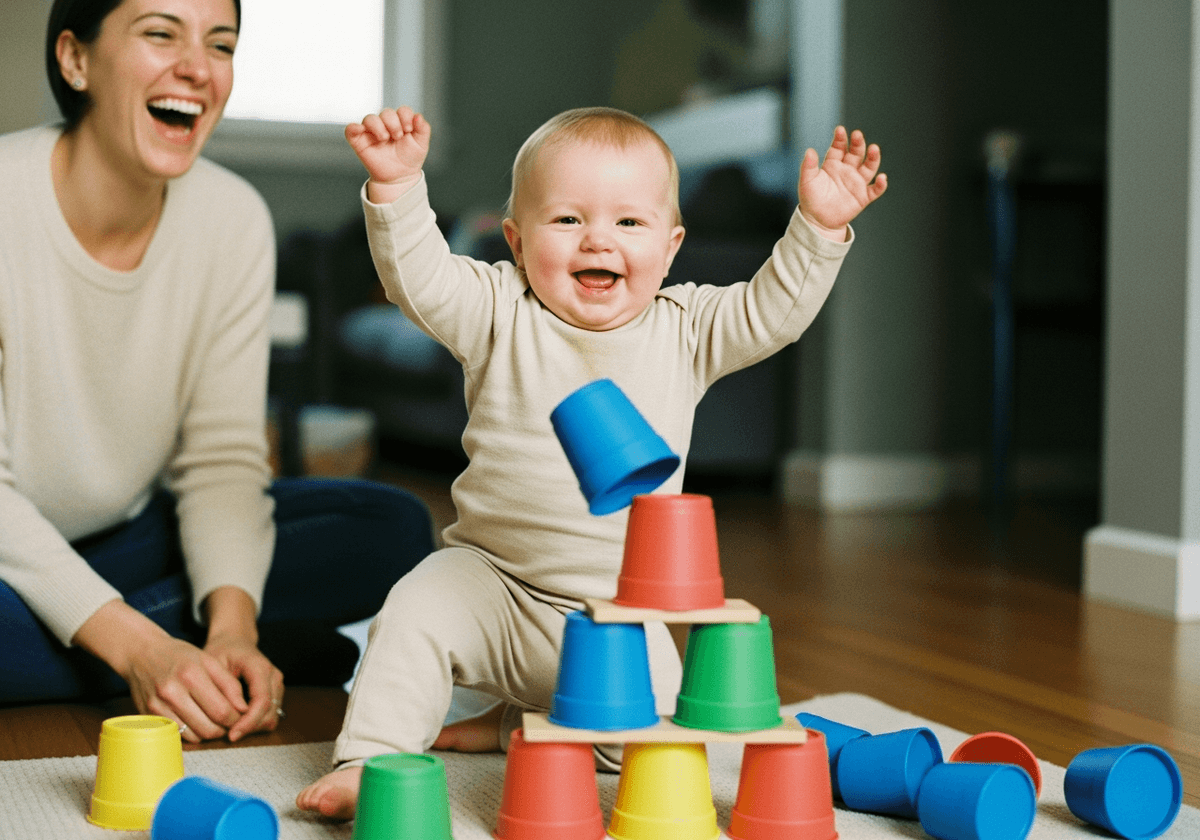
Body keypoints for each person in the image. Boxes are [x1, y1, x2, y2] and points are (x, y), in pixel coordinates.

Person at [296, 104, 886, 819]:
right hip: (491, 580)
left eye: (628, 223)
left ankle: (516, 729)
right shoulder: (497, 308)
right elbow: (418, 279)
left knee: (662, 739)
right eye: (568, 220)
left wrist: (819, 229)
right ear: (516, 240)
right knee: (412, 613)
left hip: (617, 612)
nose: (597, 239)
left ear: (670, 249)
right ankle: (373, 760)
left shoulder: (688, 326)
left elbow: (773, 311)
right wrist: (397, 189)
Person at [0, 0, 436, 745]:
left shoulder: (232, 219)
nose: (198, 68)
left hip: (121, 537)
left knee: (393, 529)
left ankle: (199, 651)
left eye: (221, 43)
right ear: (75, 60)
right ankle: (154, 648)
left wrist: (232, 627)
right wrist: (139, 649)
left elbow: (222, 461)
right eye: (160, 33)